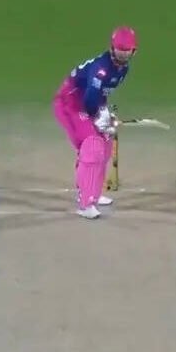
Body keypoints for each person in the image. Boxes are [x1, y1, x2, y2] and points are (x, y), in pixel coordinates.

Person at [52, 26, 138, 220]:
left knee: (106, 139)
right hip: (69, 103)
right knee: (92, 144)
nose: (123, 55)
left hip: (87, 103)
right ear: (112, 48)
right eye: (120, 51)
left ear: (134, 51)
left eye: (127, 52)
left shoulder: (123, 69)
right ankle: (85, 203)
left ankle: (94, 192)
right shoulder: (102, 69)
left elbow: (100, 96)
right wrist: (99, 116)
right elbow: (90, 99)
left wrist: (105, 113)